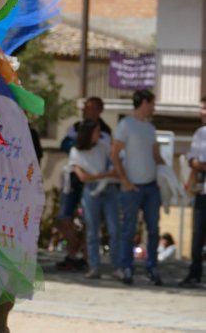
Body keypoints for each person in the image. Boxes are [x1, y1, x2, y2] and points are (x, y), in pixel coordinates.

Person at [112, 89, 165, 285]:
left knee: (154, 229)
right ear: (144, 102)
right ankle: (126, 267)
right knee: (128, 229)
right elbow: (115, 154)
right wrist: (124, 180)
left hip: (151, 187)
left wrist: (169, 177)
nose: (154, 107)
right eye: (152, 103)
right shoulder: (126, 125)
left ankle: (152, 268)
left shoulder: (150, 128)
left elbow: (156, 155)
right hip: (131, 188)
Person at [56, 96, 112, 271]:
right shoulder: (76, 127)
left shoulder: (106, 132)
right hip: (74, 178)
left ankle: (86, 257)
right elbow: (64, 145)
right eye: (85, 108)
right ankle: (73, 252)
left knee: (90, 220)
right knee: (64, 218)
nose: (86, 111)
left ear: (99, 110)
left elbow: (105, 152)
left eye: (91, 108)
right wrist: (82, 141)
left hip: (95, 180)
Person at [69, 120, 121, 279]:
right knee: (92, 231)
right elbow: (83, 177)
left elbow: (115, 165)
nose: (100, 135)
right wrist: (105, 175)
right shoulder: (75, 152)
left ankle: (117, 266)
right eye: (97, 131)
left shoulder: (104, 148)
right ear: (88, 133)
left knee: (114, 229)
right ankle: (94, 267)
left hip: (109, 190)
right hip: (91, 193)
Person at [179, 95, 206, 287]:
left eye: (204, 108)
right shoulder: (199, 133)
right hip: (202, 191)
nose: (201, 112)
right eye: (201, 108)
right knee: (197, 234)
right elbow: (192, 160)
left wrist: (199, 163)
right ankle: (194, 273)